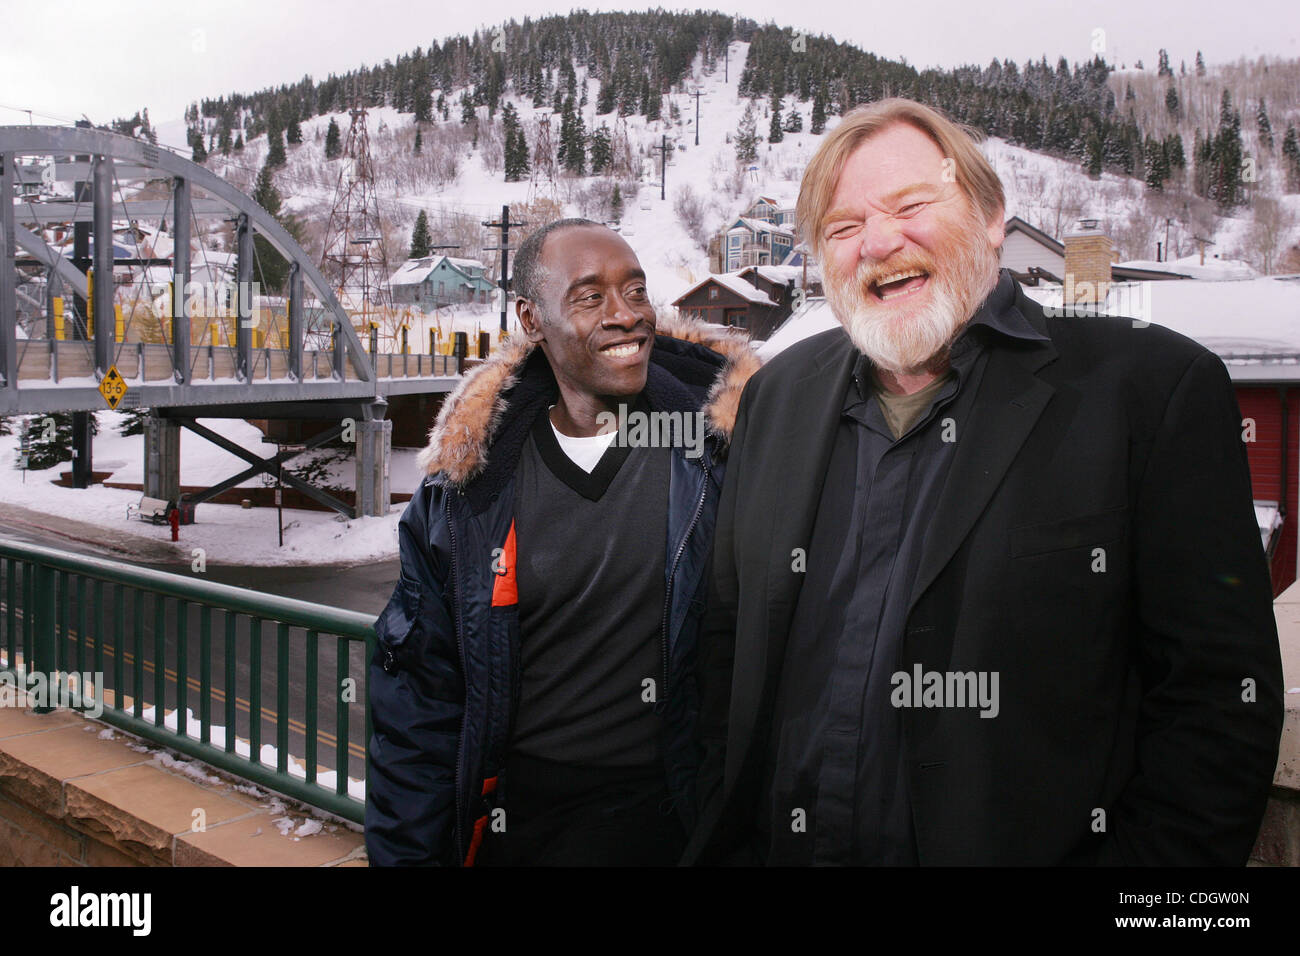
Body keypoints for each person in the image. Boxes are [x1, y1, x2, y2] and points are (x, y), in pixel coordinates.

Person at [683, 98, 1284, 866]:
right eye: (840, 228)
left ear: (993, 215)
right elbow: (726, 650)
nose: (877, 241)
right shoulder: (777, 394)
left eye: (910, 205)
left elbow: (1216, 705)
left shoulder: (1146, 391)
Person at [365, 218, 759, 866]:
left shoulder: (719, 459)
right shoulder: (465, 495)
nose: (626, 315)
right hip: (519, 830)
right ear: (531, 318)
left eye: (636, 292)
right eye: (590, 296)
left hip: (678, 821)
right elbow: (417, 706)